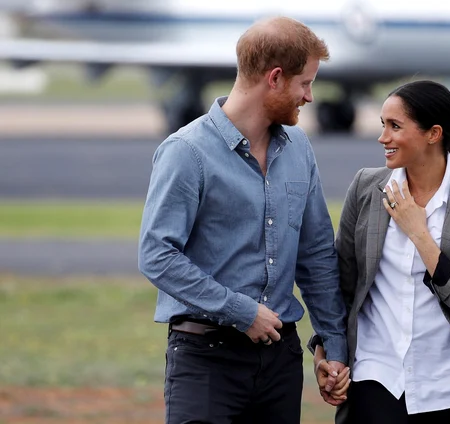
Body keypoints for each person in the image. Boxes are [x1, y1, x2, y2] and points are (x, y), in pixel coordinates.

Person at [138, 16, 349, 424]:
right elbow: (156, 254)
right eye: (304, 83)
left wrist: (334, 347)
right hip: (206, 362)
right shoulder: (187, 152)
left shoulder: (300, 148)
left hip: (281, 363)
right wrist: (241, 311)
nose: (309, 96)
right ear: (274, 78)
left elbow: (317, 255)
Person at [311, 80, 450, 423]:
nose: (383, 137)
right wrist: (326, 350)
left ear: (433, 134)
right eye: (383, 124)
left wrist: (419, 234)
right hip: (377, 377)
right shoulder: (367, 187)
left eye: (395, 126)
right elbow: (342, 285)